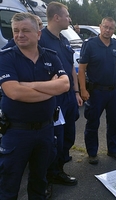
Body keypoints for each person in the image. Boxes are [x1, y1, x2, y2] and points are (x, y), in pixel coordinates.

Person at [0, 12, 69, 199]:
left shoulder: (51, 56)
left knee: (40, 182)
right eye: (16, 31)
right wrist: (50, 89)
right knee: (9, 184)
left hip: (46, 130)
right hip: (16, 133)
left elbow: (64, 85)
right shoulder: (5, 57)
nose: (19, 35)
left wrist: (28, 86)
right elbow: (13, 92)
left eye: (25, 30)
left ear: (38, 34)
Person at [38, 1, 83, 194]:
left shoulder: (63, 39)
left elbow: (71, 68)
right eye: (67, 15)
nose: (69, 19)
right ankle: (46, 177)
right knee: (52, 141)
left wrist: (76, 92)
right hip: (53, 99)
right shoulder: (40, 39)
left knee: (69, 136)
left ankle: (58, 169)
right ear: (57, 17)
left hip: (68, 97)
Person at [78, 17, 116, 164]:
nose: (107, 30)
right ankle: (92, 153)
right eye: (105, 27)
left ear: (114, 30)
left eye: (111, 28)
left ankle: (113, 150)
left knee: (113, 122)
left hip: (113, 91)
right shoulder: (90, 45)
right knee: (93, 122)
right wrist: (83, 90)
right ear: (100, 27)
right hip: (96, 92)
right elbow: (82, 69)